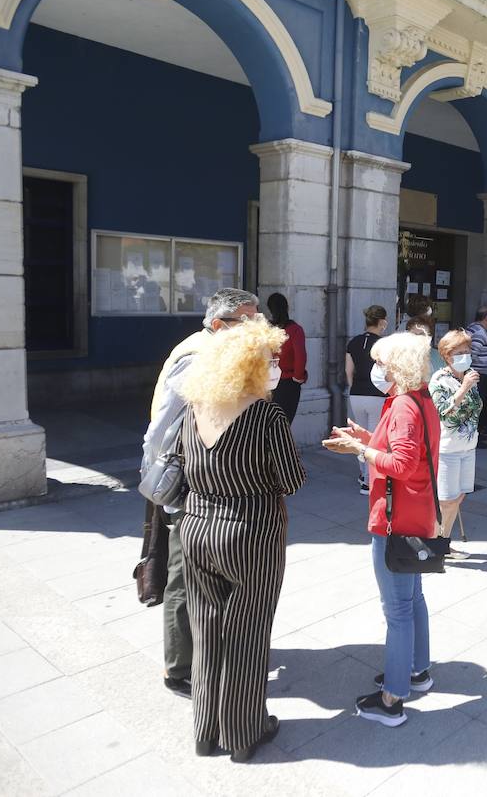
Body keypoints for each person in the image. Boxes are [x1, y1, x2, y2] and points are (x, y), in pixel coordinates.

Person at [176, 315, 306, 760]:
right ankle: (243, 732)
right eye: (270, 358)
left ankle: (205, 729)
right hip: (251, 531)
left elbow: (184, 464)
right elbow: (291, 480)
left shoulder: (194, 408)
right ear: (249, 365)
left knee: (206, 628)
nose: (276, 365)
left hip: (195, 527)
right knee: (248, 633)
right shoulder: (266, 415)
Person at [144, 287, 259, 700]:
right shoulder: (196, 356)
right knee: (182, 570)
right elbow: (169, 424)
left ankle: (206, 649)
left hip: (206, 479)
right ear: (217, 324)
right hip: (184, 478)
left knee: (201, 570)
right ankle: (179, 668)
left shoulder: (224, 353)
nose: (254, 328)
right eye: (245, 321)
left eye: (257, 320)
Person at [321, 331, 440, 728]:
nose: (376, 368)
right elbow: (408, 453)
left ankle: (392, 698)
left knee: (399, 610)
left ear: (398, 365)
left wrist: (362, 451)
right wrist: (369, 439)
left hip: (396, 517)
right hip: (415, 514)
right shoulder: (418, 398)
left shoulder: (404, 404)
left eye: (381, 361)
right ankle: (417, 672)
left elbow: (402, 465)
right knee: (413, 599)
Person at [427, 330, 481, 557]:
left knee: (459, 496)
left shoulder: (468, 375)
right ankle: (436, 542)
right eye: (460, 352)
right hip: (447, 449)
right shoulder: (440, 379)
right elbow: (444, 413)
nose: (465, 356)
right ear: (447, 355)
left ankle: (443, 542)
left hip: (468, 447)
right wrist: (463, 389)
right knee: (447, 500)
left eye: (467, 351)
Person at [346, 305, 389, 494]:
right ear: (381, 322)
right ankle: (369, 481)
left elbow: (348, 370)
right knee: (374, 439)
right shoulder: (384, 344)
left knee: (361, 436)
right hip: (376, 395)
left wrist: (353, 387)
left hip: (356, 394)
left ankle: (363, 474)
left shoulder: (354, 342)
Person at [265, 293, 306, 424]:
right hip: (287, 381)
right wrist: (298, 376)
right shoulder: (295, 330)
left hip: (266, 382)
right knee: (283, 423)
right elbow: (300, 356)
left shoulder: (265, 329)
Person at [467, 307, 487, 450]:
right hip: (478, 374)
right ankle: (474, 436)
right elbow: (473, 353)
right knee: (476, 406)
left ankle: (477, 433)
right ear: (486, 317)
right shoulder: (479, 332)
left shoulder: (474, 328)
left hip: (480, 373)